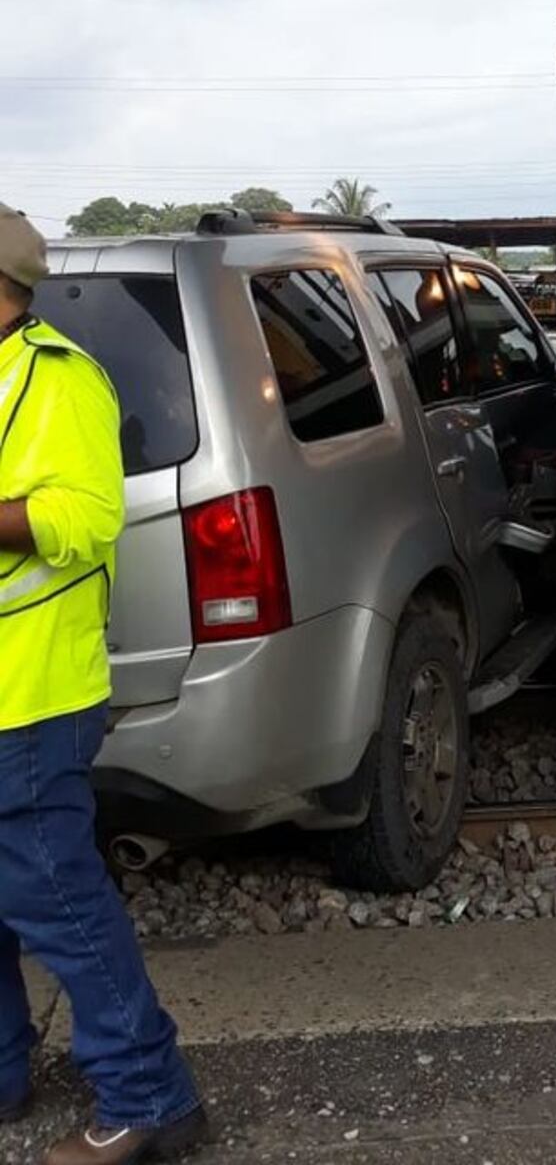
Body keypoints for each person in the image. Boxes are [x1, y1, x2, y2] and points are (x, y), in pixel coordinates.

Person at [0, 206, 206, 1164]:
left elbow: (87, 517)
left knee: (61, 901)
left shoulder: (61, 379)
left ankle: (151, 1097)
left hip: (33, 693)